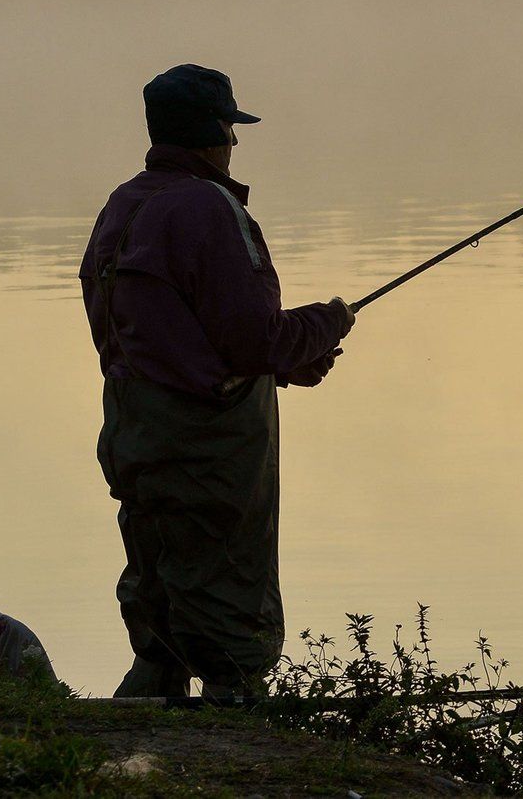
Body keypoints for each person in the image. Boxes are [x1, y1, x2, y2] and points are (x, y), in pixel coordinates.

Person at [80, 64, 356, 699]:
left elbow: (163, 332)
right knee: (230, 610)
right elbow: (257, 338)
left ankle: (140, 728)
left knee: (159, 593)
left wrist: (286, 365)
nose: (234, 146)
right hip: (207, 443)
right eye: (231, 131)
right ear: (212, 136)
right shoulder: (209, 208)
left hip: (132, 427)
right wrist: (328, 322)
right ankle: (240, 732)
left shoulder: (124, 203)